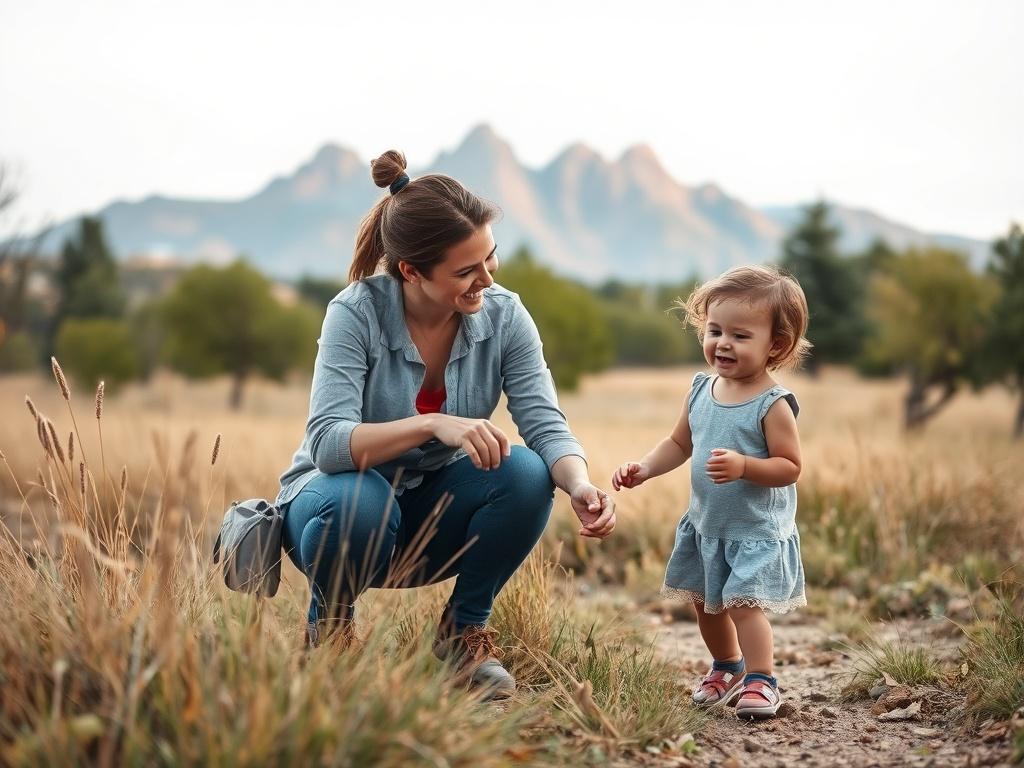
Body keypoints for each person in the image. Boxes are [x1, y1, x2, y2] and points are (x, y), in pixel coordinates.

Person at [277, 149, 616, 700]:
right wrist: (431, 425)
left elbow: (544, 420)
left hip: (426, 516)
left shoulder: (505, 314)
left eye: (490, 258)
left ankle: (462, 637)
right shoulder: (354, 313)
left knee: (528, 472)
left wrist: (579, 483)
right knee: (359, 502)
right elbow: (328, 444)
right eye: (466, 270)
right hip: (336, 513)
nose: (486, 278)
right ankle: (329, 634)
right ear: (411, 271)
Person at [611, 264, 810, 719]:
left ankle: (763, 679)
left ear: (775, 345)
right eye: (715, 330)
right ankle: (727, 667)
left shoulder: (772, 404)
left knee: (743, 605)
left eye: (741, 336)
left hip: (752, 530)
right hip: (706, 525)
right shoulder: (702, 388)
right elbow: (680, 443)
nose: (723, 343)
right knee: (706, 605)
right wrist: (644, 467)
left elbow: (790, 467)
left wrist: (745, 466)